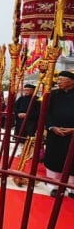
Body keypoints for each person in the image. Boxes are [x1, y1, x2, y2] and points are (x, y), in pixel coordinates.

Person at [44, 70, 74, 198]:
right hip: (55, 134)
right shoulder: (53, 95)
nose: (58, 81)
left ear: (72, 81)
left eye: (62, 79)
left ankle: (72, 188)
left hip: (72, 135)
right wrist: (52, 127)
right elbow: (45, 113)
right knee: (55, 159)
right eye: (58, 79)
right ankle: (55, 186)